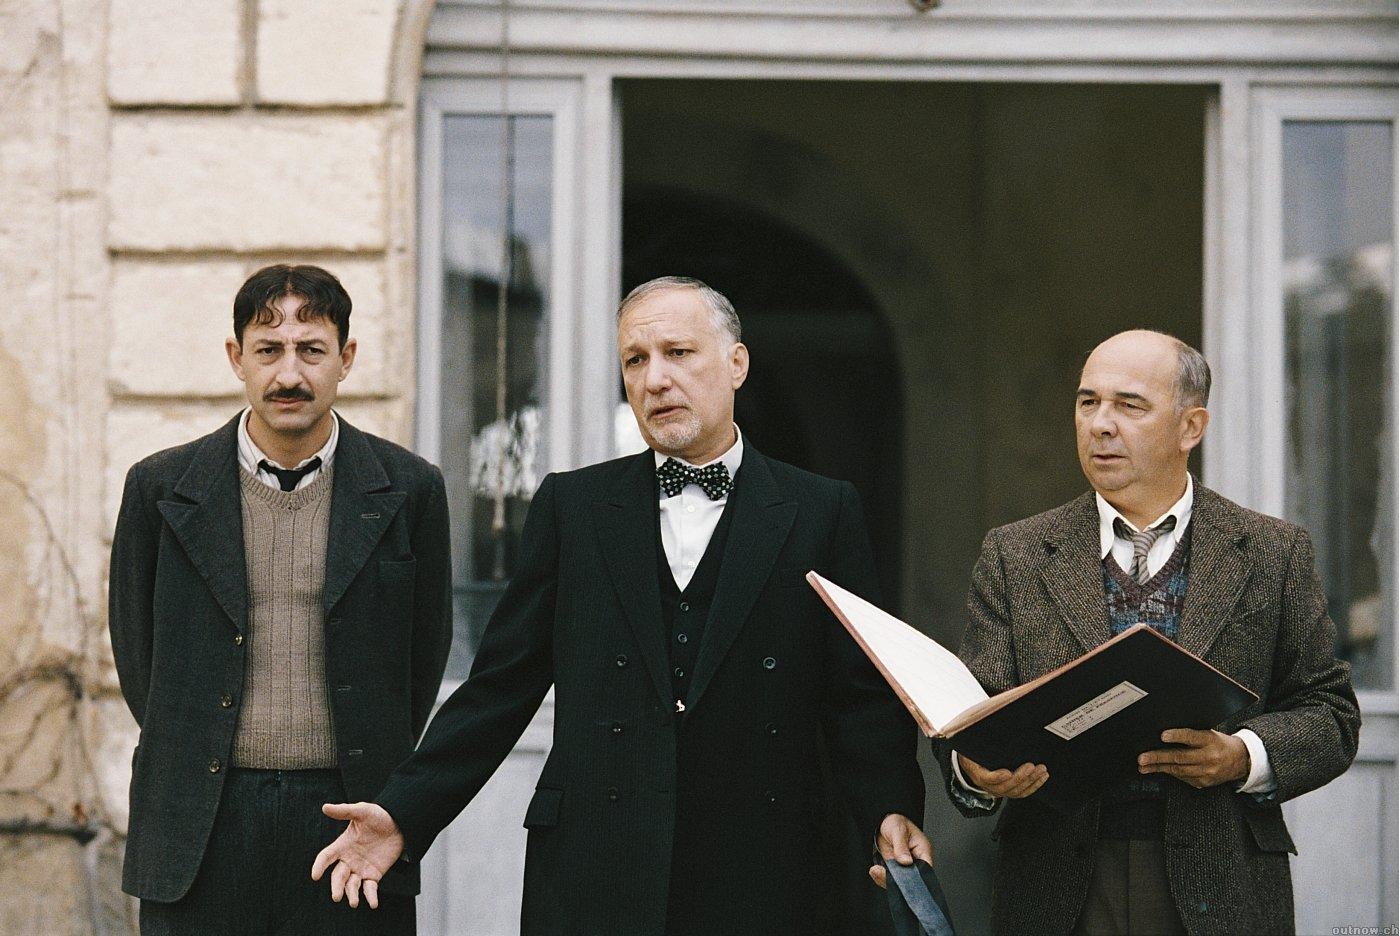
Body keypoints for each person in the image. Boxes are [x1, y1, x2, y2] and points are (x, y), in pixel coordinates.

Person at [312, 276, 929, 935]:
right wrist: (405, 813)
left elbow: (858, 698)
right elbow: (499, 689)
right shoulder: (572, 508)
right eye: (635, 360)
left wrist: (889, 810)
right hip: (593, 869)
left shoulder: (822, 512)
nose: (654, 379)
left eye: (678, 353)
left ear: (737, 364)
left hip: (764, 871)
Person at [939, 329, 1360, 935]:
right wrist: (974, 770)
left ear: (1191, 427)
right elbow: (970, 713)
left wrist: (1243, 755)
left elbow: (1331, 714)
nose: (1100, 425)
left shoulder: (1273, 552)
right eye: (1088, 402)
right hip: (1055, 887)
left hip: (1223, 881)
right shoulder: (1016, 554)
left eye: (1129, 405)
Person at [108, 264, 452, 935]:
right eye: (268, 350)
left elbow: (423, 656)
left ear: (346, 359)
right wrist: (202, 743)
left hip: (349, 816)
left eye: (311, 350)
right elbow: (138, 655)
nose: (288, 374)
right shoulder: (159, 488)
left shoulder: (411, 489)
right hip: (200, 819)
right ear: (236, 358)